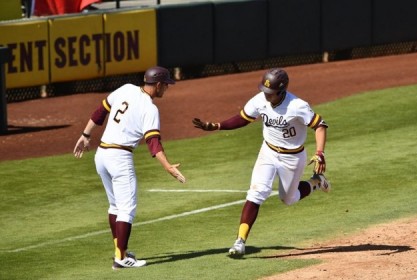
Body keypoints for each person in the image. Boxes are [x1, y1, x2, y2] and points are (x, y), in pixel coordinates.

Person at [192, 68, 330, 256]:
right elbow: (243, 118)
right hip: (268, 152)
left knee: (288, 199)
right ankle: (240, 241)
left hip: (293, 157)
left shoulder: (297, 105)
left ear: (281, 91)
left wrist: (320, 153)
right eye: (264, 91)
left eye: (270, 93)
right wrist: (217, 125)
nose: (265, 96)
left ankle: (316, 182)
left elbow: (320, 126)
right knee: (256, 192)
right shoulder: (260, 100)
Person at [73, 66, 186, 269]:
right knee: (126, 209)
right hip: (120, 158)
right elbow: (153, 142)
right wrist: (167, 166)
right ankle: (120, 259)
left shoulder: (125, 88)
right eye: (166, 85)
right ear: (158, 85)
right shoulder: (150, 108)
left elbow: (101, 111)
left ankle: (120, 252)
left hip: (102, 155)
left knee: (115, 206)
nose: (167, 88)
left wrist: (86, 134)